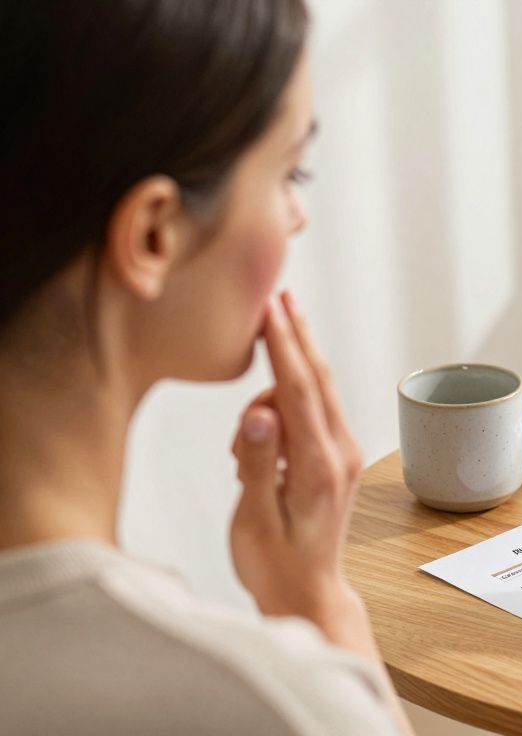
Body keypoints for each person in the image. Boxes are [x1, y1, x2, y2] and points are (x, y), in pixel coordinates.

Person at [0, 2, 411, 733]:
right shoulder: (264, 706)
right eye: (292, 171)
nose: (298, 216)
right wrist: (318, 600)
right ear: (153, 234)